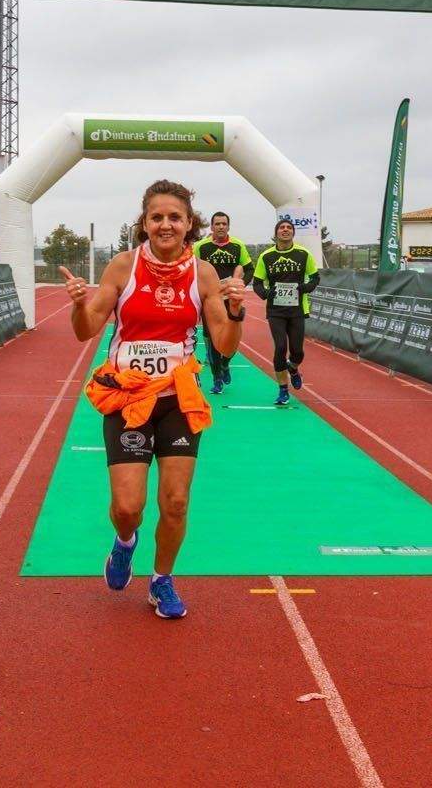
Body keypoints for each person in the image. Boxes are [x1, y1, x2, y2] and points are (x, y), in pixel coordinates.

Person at [60, 179, 246, 619]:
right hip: (127, 399)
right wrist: (76, 304)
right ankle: (125, 543)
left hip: (178, 398)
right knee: (128, 508)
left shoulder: (203, 274)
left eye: (175, 217)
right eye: (157, 217)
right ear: (144, 223)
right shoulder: (123, 268)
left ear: (189, 225)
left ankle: (161, 580)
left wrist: (236, 311)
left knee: (176, 502)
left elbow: (224, 345)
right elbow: (87, 330)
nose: (166, 224)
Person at [252, 219, 320, 407]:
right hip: (276, 311)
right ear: (276, 233)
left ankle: (293, 368)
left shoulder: (303, 254)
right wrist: (266, 293)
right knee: (280, 347)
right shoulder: (267, 256)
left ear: (293, 233)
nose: (285, 230)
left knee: (297, 352)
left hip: (297, 310)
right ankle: (283, 389)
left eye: (289, 228)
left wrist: (304, 288)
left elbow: (315, 278)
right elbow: (257, 283)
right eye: (282, 228)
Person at [194, 211, 253, 394]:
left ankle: (226, 363)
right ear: (211, 227)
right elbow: (191, 269)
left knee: (231, 336)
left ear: (228, 226)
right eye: (217, 224)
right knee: (212, 339)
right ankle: (217, 378)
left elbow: (249, 268)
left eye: (224, 224)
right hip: (209, 300)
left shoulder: (237, 246)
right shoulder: (201, 247)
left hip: (230, 299)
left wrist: (239, 285)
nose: (220, 227)